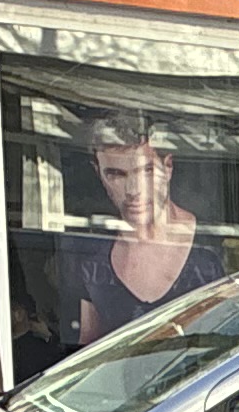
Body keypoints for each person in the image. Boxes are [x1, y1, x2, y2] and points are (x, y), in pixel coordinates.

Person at [63, 108, 226, 344]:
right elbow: (88, 352)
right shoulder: (93, 262)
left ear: (167, 167)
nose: (133, 190)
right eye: (116, 175)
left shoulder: (214, 244)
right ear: (98, 173)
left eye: (145, 171)